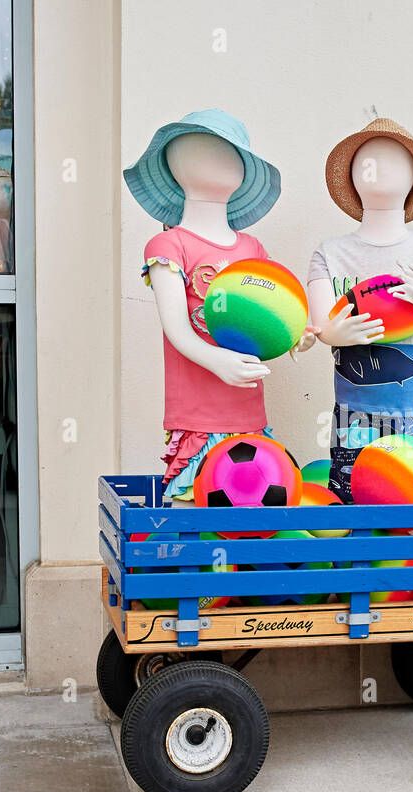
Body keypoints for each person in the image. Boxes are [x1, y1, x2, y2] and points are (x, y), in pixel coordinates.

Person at [298, 118, 413, 502]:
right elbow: (320, 325)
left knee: (411, 504)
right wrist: (331, 334)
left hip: (412, 410)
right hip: (351, 412)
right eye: (368, 159)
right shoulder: (329, 252)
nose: (378, 166)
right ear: (353, 176)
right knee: (350, 499)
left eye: (394, 159)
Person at [123, 109, 283, 502]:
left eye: (232, 151)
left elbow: (274, 313)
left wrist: (296, 337)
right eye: (206, 148)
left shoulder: (252, 249)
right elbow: (176, 328)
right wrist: (217, 360)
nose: (222, 158)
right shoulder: (168, 246)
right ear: (175, 164)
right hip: (196, 416)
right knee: (192, 512)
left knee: (250, 520)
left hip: (248, 413)